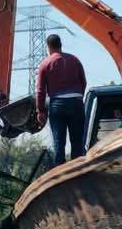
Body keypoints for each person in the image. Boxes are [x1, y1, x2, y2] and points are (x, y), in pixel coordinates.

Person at [36, 34, 87, 166]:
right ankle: (78, 172)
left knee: (59, 143)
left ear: (48, 47)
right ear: (61, 45)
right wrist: (77, 97)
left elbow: (40, 91)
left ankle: (61, 172)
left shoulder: (45, 63)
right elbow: (83, 82)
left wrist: (40, 111)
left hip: (57, 105)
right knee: (77, 143)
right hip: (76, 103)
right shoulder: (75, 60)